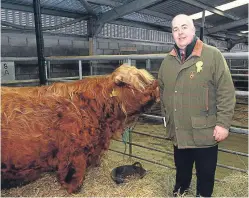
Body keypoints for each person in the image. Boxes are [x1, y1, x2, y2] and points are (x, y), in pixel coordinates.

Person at [158, 14, 235, 197]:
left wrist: (223, 123)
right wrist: (167, 119)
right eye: (175, 29)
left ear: (193, 30)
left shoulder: (212, 55)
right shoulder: (167, 61)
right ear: (172, 34)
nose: (180, 33)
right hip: (179, 130)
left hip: (205, 131)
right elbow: (162, 91)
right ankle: (180, 193)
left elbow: (226, 91)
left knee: (206, 174)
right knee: (181, 172)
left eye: (184, 27)